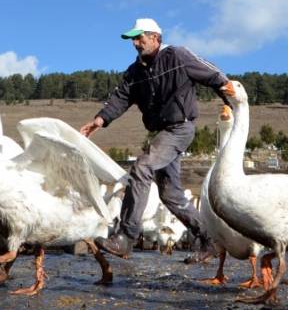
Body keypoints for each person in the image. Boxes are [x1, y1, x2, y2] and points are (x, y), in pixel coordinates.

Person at [80, 18, 232, 262]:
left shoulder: (177, 56)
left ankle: (126, 237)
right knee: (170, 194)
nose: (136, 44)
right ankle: (208, 240)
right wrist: (100, 120)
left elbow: (213, 74)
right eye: (134, 40)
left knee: (142, 167)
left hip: (180, 128)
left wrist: (230, 99)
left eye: (141, 38)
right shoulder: (135, 71)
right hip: (161, 133)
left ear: (155, 38)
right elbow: (120, 97)